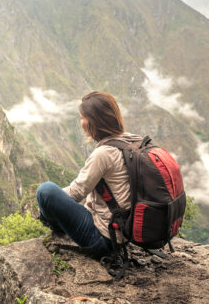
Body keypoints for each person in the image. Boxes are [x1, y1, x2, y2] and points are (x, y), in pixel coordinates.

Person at [37, 91, 142, 257]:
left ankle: (56, 227)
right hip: (124, 232)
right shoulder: (132, 141)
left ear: (94, 122)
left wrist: (46, 209)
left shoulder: (104, 154)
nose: (81, 122)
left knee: (45, 191)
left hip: (103, 239)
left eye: (83, 118)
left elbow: (76, 192)